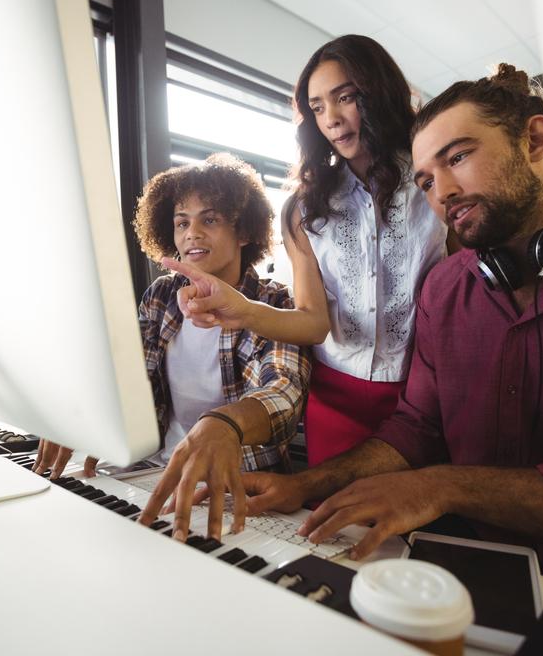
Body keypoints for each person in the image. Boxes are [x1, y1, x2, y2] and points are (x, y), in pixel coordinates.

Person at [234, 65, 543, 591]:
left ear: (535, 140)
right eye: (426, 181)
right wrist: (302, 484)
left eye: (458, 157)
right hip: (454, 564)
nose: (444, 193)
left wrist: (441, 486)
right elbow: (417, 428)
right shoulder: (445, 290)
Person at [165, 35, 447, 471]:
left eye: (345, 97)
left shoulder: (435, 182)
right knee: (332, 530)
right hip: (335, 401)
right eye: (317, 107)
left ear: (379, 92)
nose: (331, 119)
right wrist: (244, 310)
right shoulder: (305, 208)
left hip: (425, 399)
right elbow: (314, 323)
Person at [34, 154, 311, 542]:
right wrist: (81, 411)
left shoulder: (274, 304)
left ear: (244, 231)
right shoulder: (161, 295)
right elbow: (130, 379)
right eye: (182, 222)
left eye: (209, 219)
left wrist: (225, 424)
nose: (191, 233)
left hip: (237, 487)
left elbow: (284, 394)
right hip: (149, 472)